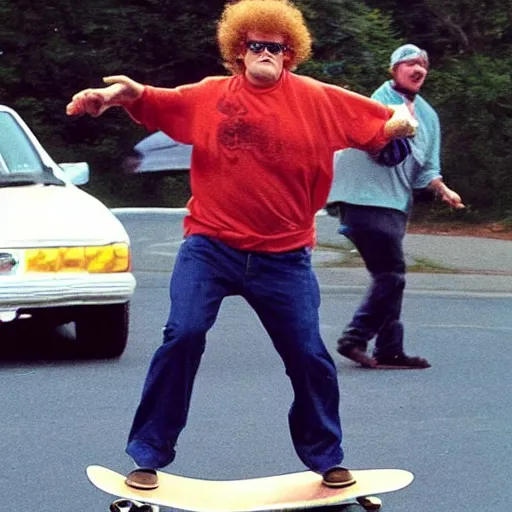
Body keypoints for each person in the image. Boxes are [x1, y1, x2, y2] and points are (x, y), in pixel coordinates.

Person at [66, 0, 416, 490]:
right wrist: (124, 95)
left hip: (285, 256)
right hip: (211, 247)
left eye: (276, 46)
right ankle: (147, 456)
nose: (265, 53)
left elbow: (386, 131)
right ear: (238, 52)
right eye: (255, 44)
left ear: (289, 53)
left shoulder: (320, 99)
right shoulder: (211, 95)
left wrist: (394, 141)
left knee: (309, 355)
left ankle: (326, 457)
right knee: (182, 335)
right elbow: (157, 100)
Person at [328, 44, 465, 370]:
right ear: (394, 70)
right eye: (409, 63)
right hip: (364, 201)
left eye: (423, 64)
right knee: (392, 276)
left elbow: (427, 169)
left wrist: (442, 188)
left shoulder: (429, 116)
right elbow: (376, 146)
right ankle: (354, 338)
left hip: (395, 206)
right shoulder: (376, 105)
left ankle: (390, 348)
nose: (417, 68)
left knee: (388, 276)